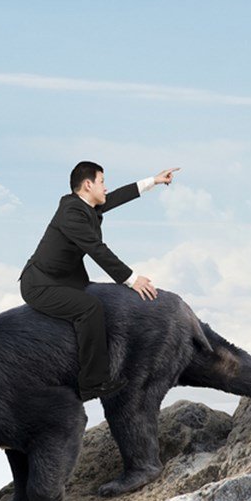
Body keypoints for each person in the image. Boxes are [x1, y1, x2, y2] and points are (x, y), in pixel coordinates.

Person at [20, 161, 179, 400]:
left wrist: (153, 181)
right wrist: (132, 279)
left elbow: (116, 197)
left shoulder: (87, 206)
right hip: (41, 285)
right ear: (87, 185)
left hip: (65, 279)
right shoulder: (71, 213)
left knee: (97, 298)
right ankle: (92, 383)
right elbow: (97, 250)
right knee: (89, 309)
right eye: (102, 182)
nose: (105, 188)